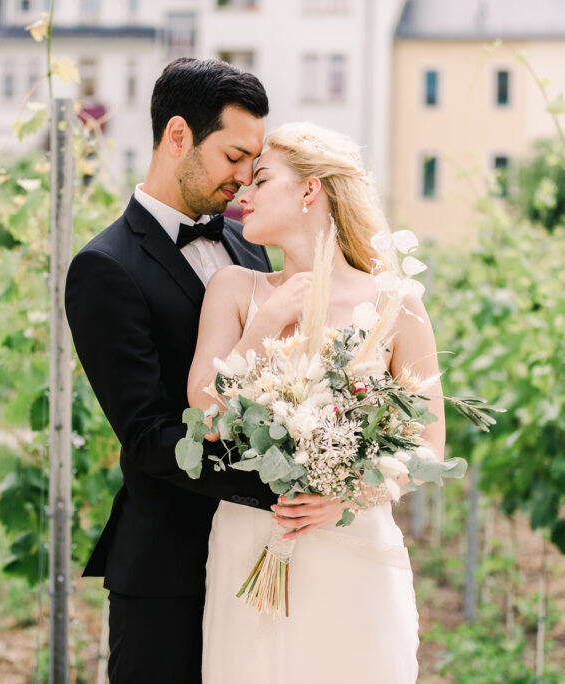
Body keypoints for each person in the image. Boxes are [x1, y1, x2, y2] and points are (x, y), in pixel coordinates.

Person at [65, 59, 347, 684]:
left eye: (256, 163)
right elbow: (149, 436)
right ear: (177, 137)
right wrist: (284, 485)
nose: (246, 178)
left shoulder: (249, 243)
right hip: (170, 568)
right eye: (235, 155)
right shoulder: (104, 268)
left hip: (265, 556)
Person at [188, 122, 443, 683]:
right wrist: (270, 319)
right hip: (250, 540)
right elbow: (206, 413)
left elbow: (430, 444)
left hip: (353, 544)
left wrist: (345, 497)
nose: (243, 194)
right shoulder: (234, 288)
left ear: (310, 190)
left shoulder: (398, 304)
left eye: (260, 178)